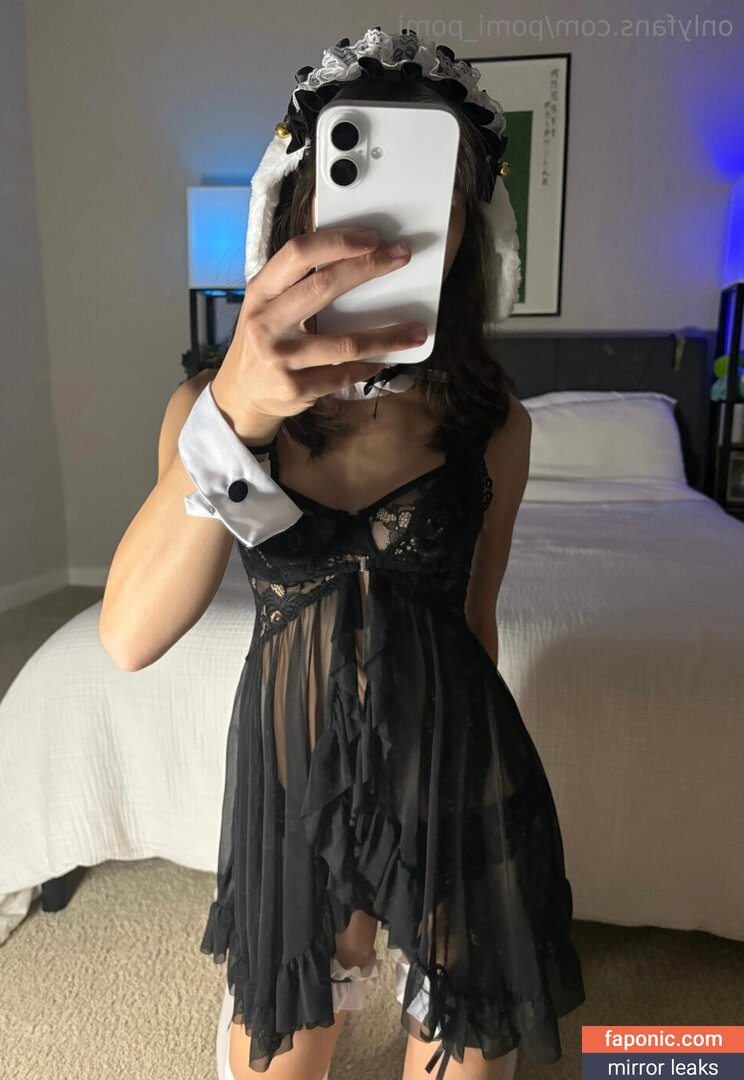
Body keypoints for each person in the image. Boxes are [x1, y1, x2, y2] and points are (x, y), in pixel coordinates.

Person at [100, 25, 585, 1080]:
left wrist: (456, 848)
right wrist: (234, 416)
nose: (387, 229)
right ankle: (354, 942)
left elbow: (476, 618)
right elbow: (128, 636)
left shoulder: (495, 424)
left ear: (466, 227)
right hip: (294, 787)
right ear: (296, 205)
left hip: (454, 771)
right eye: (353, 181)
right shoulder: (210, 411)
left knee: (471, 1045)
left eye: (434, 191)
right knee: (283, 1047)